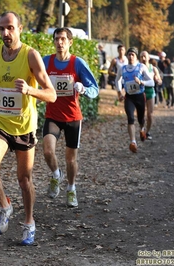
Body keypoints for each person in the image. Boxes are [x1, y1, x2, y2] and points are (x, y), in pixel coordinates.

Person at [0, 11, 57, 246]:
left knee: (24, 180)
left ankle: (29, 222)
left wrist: (30, 91)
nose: (5, 33)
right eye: (2, 28)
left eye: (10, 28)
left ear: (20, 28)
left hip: (24, 126)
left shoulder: (31, 56)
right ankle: (5, 204)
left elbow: (51, 95)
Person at [42, 27, 99, 207]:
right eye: (57, 39)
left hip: (73, 117)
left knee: (70, 159)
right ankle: (56, 175)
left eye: (63, 39)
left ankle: (71, 188)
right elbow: (33, 79)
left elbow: (94, 89)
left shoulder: (77, 63)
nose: (59, 43)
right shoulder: (46, 61)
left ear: (70, 42)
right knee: (47, 151)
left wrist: (83, 89)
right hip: (52, 115)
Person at [115, 47, 154, 153]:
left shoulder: (141, 67)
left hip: (140, 96)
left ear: (136, 56)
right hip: (129, 97)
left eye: (133, 54)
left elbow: (152, 82)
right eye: (129, 54)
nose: (131, 56)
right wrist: (119, 92)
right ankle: (133, 142)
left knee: (141, 118)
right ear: (127, 56)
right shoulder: (122, 68)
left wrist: (142, 82)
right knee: (130, 118)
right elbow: (117, 80)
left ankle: (142, 129)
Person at [140, 51, 162, 140]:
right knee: (141, 114)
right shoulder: (138, 68)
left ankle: (148, 132)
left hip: (150, 92)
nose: (143, 58)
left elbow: (160, 80)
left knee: (150, 114)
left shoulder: (153, 69)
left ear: (149, 58)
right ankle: (142, 130)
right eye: (141, 57)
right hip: (141, 92)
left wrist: (157, 80)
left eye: (144, 56)